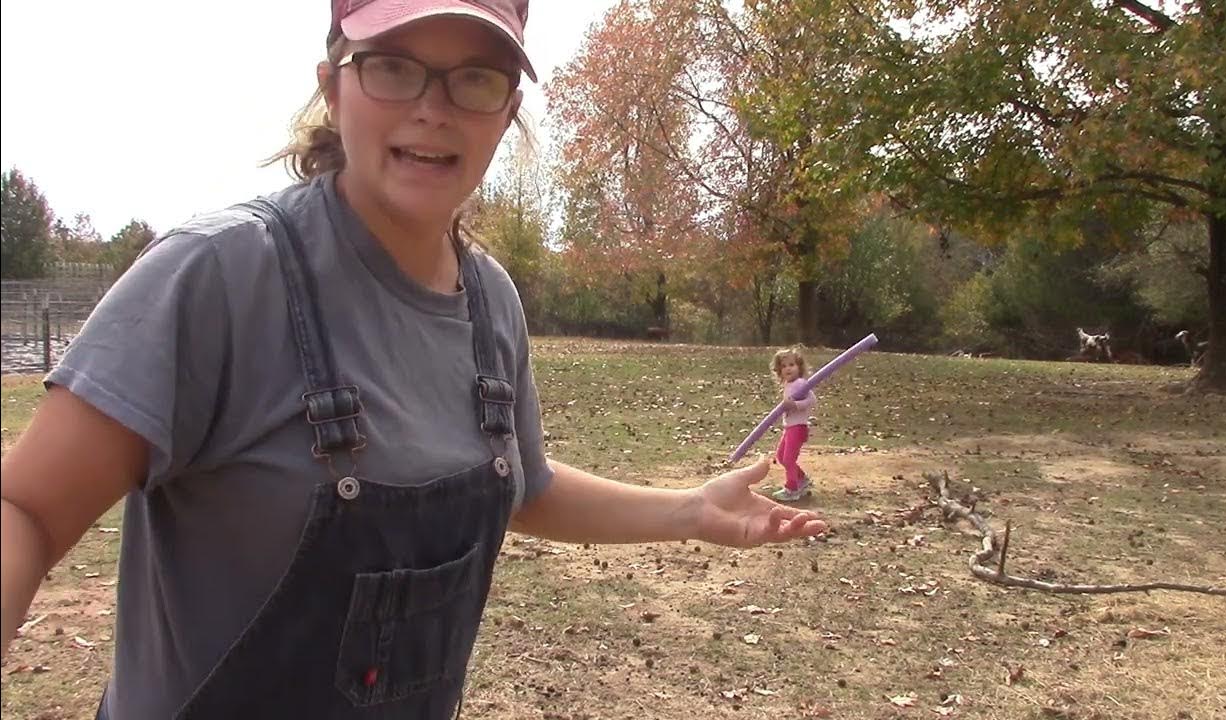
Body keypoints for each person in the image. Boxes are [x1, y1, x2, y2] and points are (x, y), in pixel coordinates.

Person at [0, 1, 826, 717]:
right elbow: (27, 511)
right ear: (333, 86)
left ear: (507, 113)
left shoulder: (491, 304)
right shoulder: (219, 277)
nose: (434, 109)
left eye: (475, 79)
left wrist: (688, 511)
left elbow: (523, 486)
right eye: (393, 67)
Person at [770, 347, 817, 502]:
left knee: (788, 459)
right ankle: (801, 479)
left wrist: (795, 405)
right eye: (783, 366)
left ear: (799, 366)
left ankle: (792, 489)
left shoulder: (800, 383)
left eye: (791, 364)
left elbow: (812, 400)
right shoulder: (789, 384)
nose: (787, 368)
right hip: (790, 427)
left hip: (798, 427)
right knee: (781, 457)